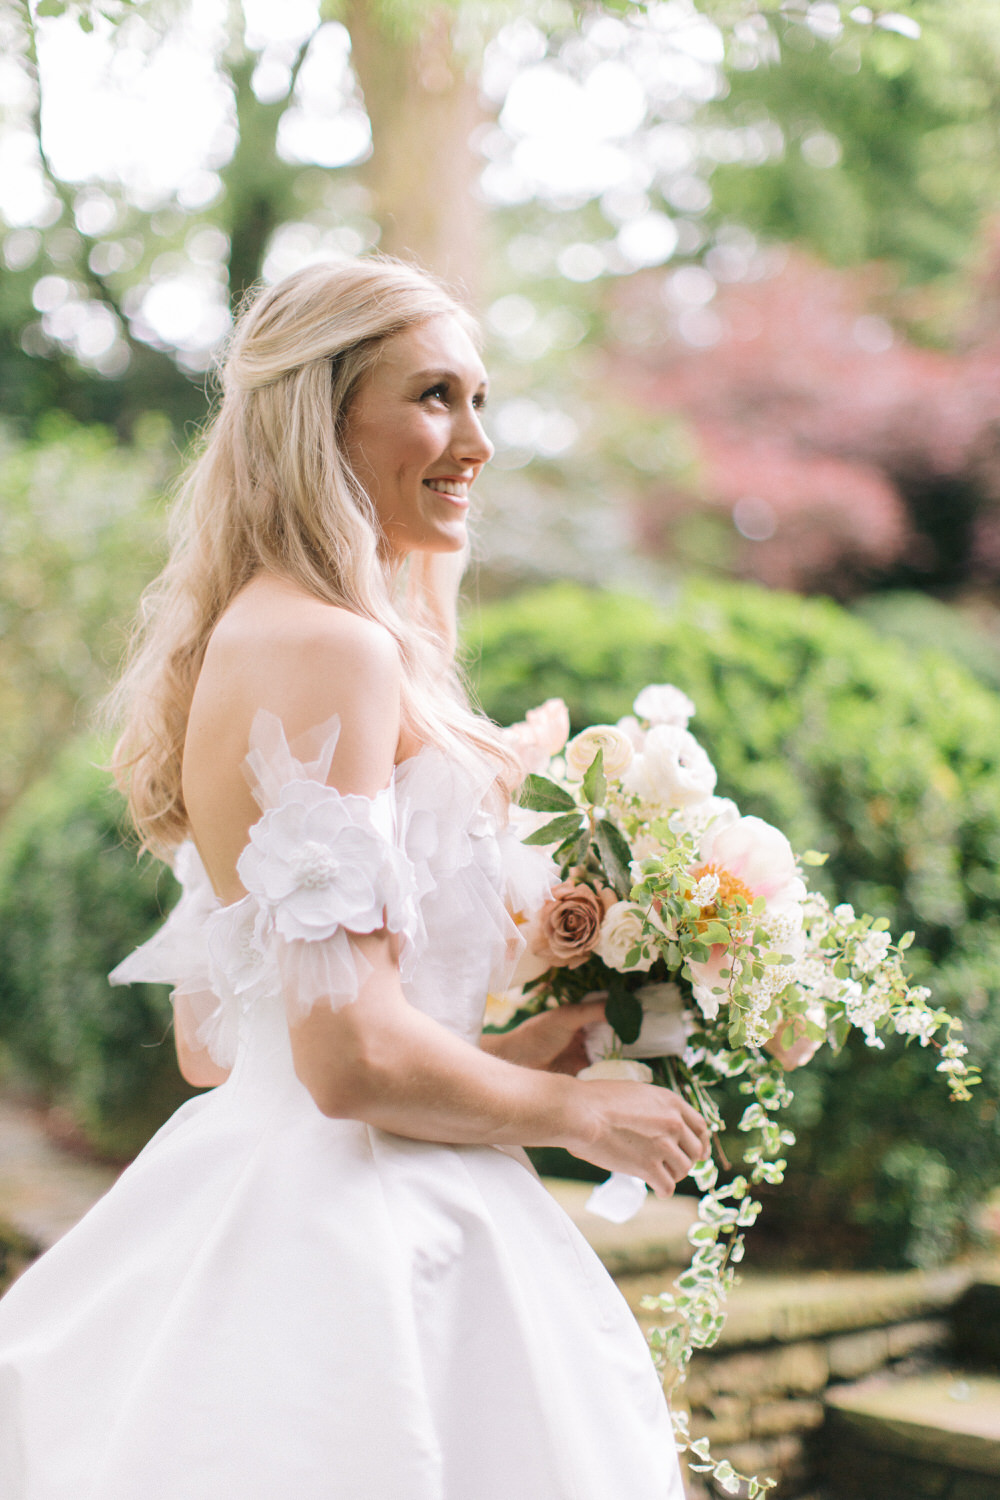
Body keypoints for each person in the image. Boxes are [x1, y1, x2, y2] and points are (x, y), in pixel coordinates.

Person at [0, 256, 709, 1499]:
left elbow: (223, 1040)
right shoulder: (328, 648)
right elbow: (343, 1065)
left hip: (294, 1187)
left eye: (481, 398)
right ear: (319, 419)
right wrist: (577, 1115)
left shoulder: (276, 632)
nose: (476, 440)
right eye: (434, 396)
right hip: (362, 1250)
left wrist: (508, 1051)